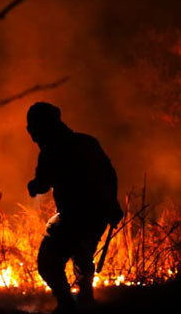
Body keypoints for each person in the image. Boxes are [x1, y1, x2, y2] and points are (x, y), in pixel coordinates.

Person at [25, 102, 123, 313]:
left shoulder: (52, 151)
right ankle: (84, 302)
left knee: (48, 263)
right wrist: (113, 204)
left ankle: (68, 305)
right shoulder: (86, 143)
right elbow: (110, 174)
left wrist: (33, 186)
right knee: (82, 256)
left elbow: (42, 183)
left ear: (43, 126)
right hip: (97, 214)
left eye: (32, 127)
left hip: (75, 215)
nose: (31, 134)